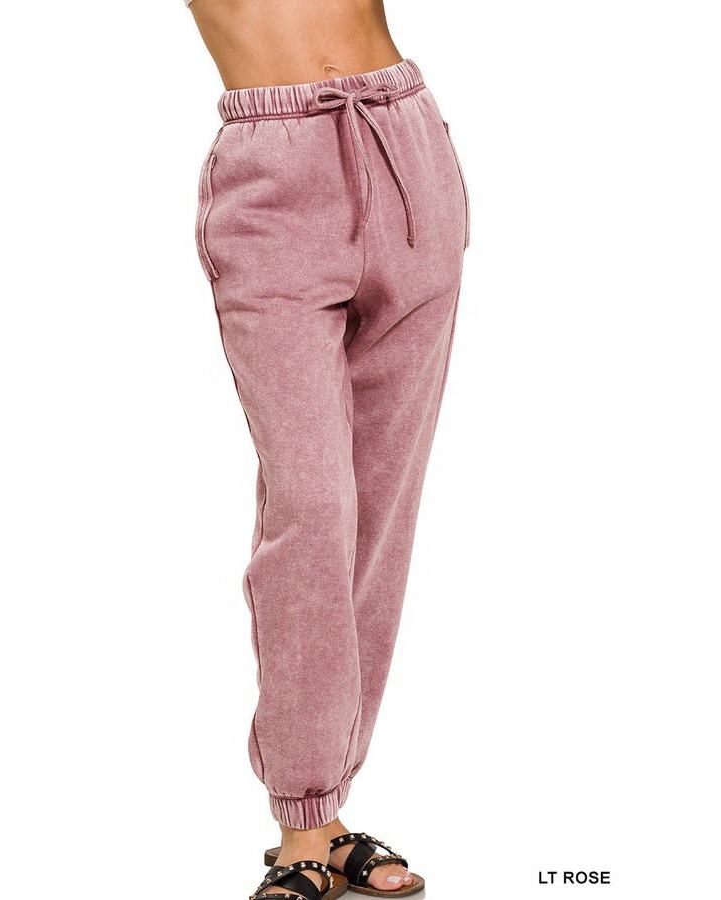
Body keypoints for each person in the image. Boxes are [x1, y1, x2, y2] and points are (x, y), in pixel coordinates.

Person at [187, 1, 469, 897]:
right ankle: (303, 816)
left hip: (405, 146)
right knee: (312, 505)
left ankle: (329, 811)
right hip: (271, 181)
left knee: (379, 511)